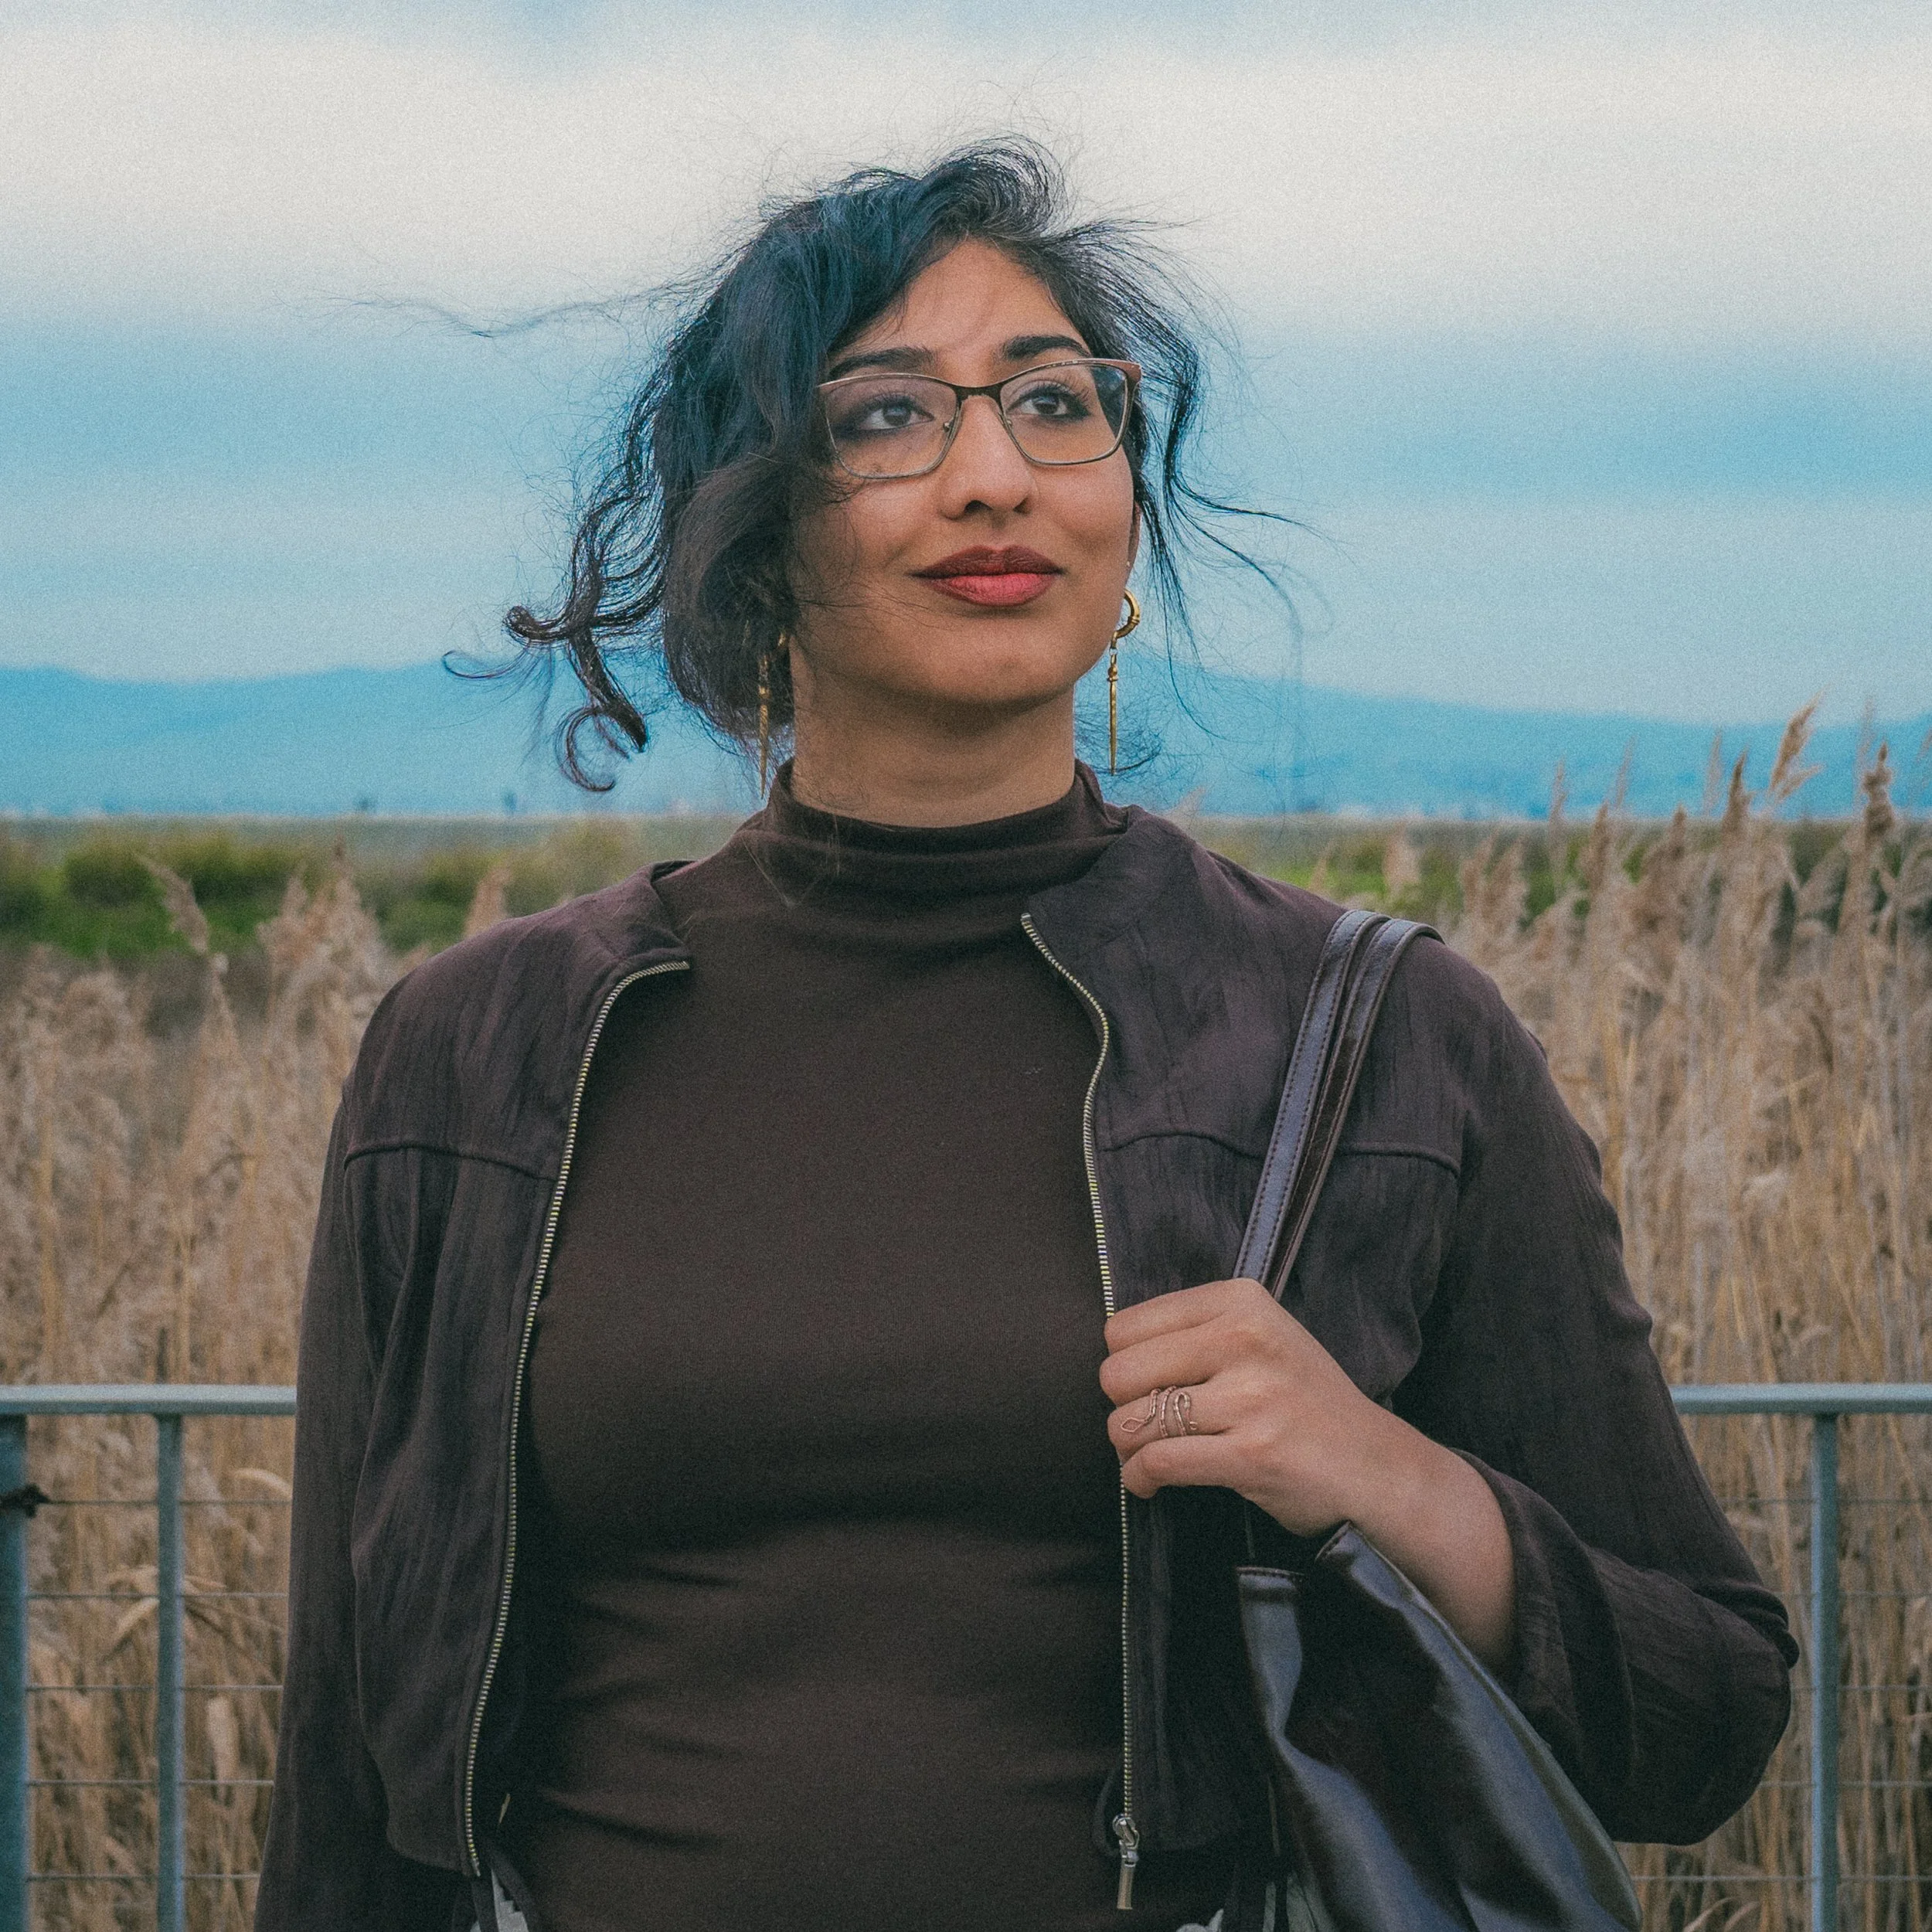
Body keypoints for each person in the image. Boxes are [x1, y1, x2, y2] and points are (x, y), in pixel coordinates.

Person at [256, 144, 1795, 1932]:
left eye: (1056, 404)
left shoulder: (1372, 1034)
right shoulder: (480, 1047)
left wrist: (1392, 1478)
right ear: (745, 529)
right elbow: (349, 1740)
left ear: (1123, 515)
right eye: (885, 416)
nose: (993, 476)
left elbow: (1704, 1715)